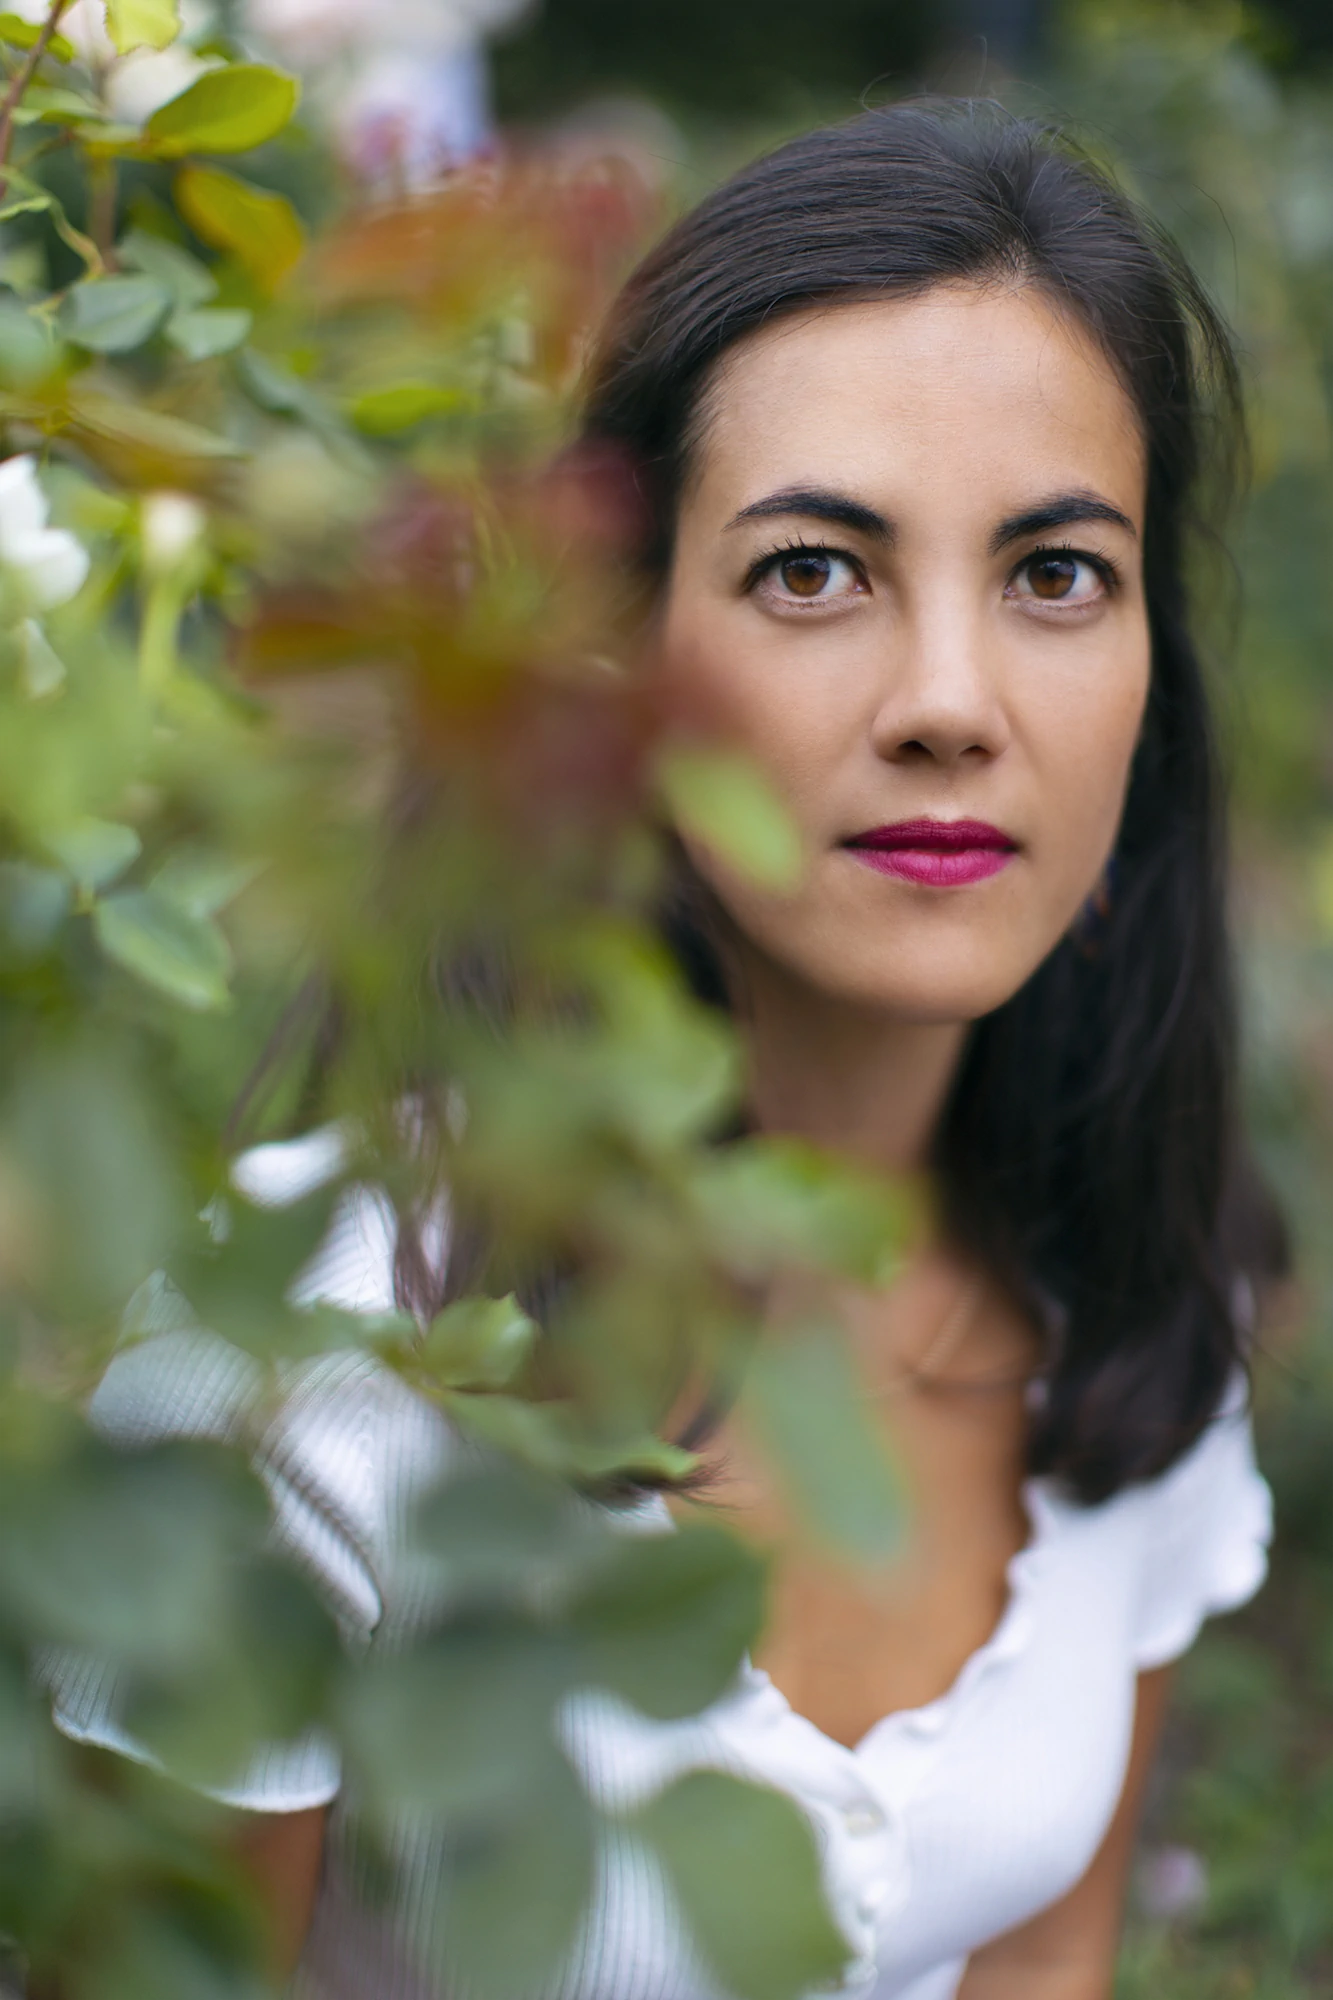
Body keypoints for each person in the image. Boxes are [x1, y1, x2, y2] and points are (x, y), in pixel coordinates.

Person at [47, 102, 1279, 2000]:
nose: (951, 702)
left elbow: (1048, 1964)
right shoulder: (306, 1376)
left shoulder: (1131, 1315)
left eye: (1054, 575)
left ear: (1146, 684)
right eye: (813, 570)